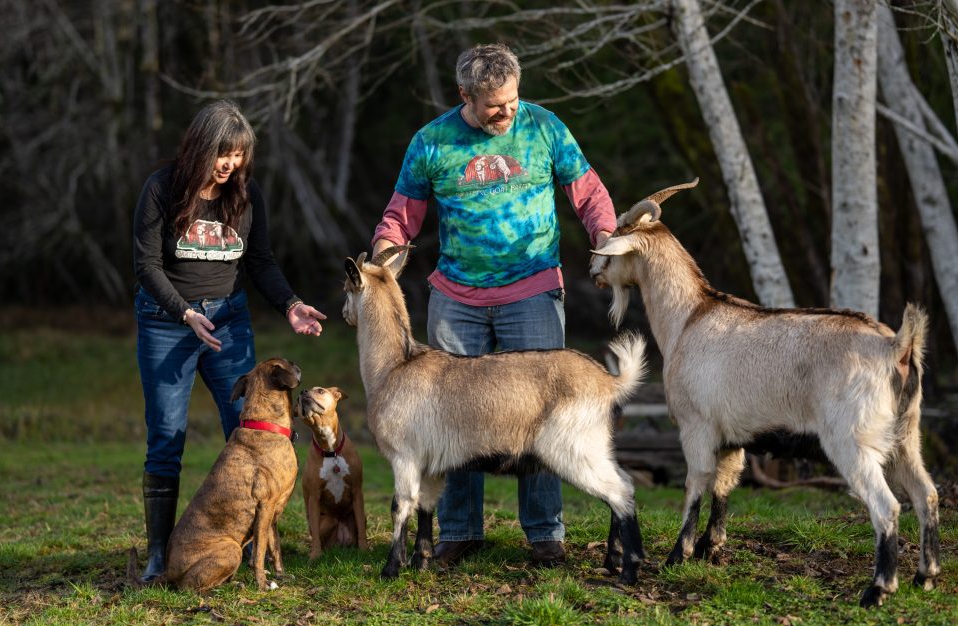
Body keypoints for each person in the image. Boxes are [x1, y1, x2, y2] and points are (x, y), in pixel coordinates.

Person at [371, 43, 617, 568]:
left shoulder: (545, 127)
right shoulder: (432, 141)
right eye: (493, 105)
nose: (506, 111)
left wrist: (606, 238)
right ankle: (459, 531)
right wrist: (382, 255)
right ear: (465, 95)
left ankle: (544, 534)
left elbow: (589, 193)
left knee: (542, 416)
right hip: (455, 299)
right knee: (452, 420)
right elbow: (401, 216)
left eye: (511, 100)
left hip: (532, 293)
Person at [132, 99, 326, 581]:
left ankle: (260, 546)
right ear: (201, 146)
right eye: (223, 153)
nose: (230, 164)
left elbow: (260, 262)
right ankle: (161, 552)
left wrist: (291, 305)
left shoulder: (246, 194)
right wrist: (184, 312)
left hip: (228, 323)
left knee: (248, 430)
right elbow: (146, 266)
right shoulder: (160, 190)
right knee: (166, 439)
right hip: (166, 324)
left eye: (239, 155)